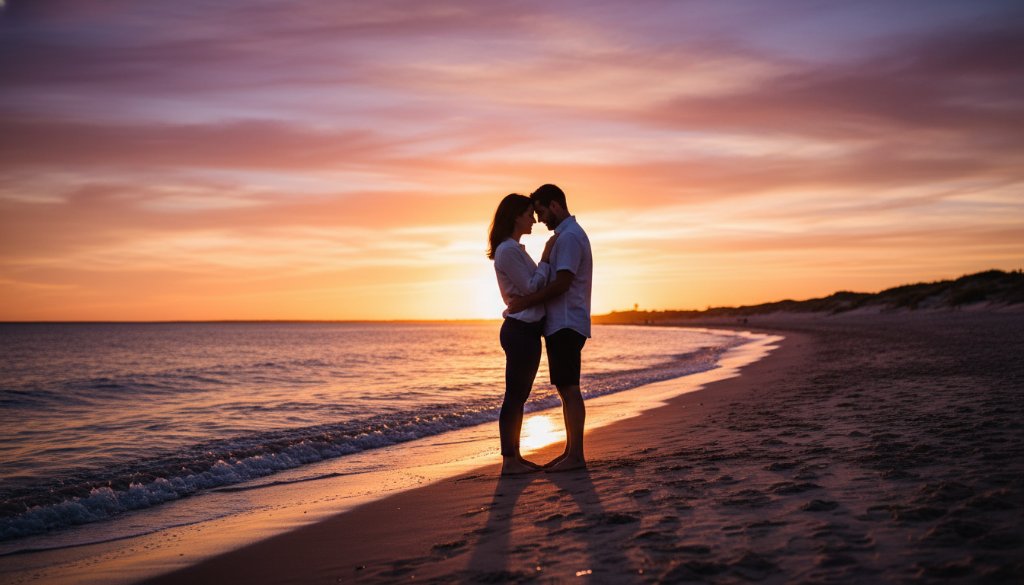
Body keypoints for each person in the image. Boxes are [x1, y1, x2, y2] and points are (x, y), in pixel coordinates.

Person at [508, 184, 592, 472]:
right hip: (564, 322)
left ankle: (576, 456)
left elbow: (563, 282)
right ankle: (572, 452)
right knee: (566, 388)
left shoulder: (568, 238)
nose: (540, 218)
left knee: (569, 388)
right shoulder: (565, 236)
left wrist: (527, 301)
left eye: (541, 211)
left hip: (566, 322)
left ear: (555, 205)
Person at [489, 193, 559, 475]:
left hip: (526, 330)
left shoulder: (514, 249)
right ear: (516, 215)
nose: (533, 219)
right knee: (515, 396)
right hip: (520, 330)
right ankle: (510, 461)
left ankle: (513, 459)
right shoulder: (508, 251)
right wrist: (545, 257)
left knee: (519, 395)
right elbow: (531, 287)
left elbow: (532, 289)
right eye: (530, 214)